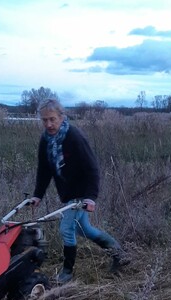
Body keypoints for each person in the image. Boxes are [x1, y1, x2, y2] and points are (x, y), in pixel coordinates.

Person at [30, 98, 129, 284]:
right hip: (68, 193)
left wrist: (91, 198)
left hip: (80, 193)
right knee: (85, 230)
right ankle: (119, 254)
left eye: (52, 119)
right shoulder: (46, 140)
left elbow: (92, 169)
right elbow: (44, 170)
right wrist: (38, 195)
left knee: (67, 229)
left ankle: (67, 273)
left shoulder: (74, 136)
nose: (49, 124)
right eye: (44, 120)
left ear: (61, 117)